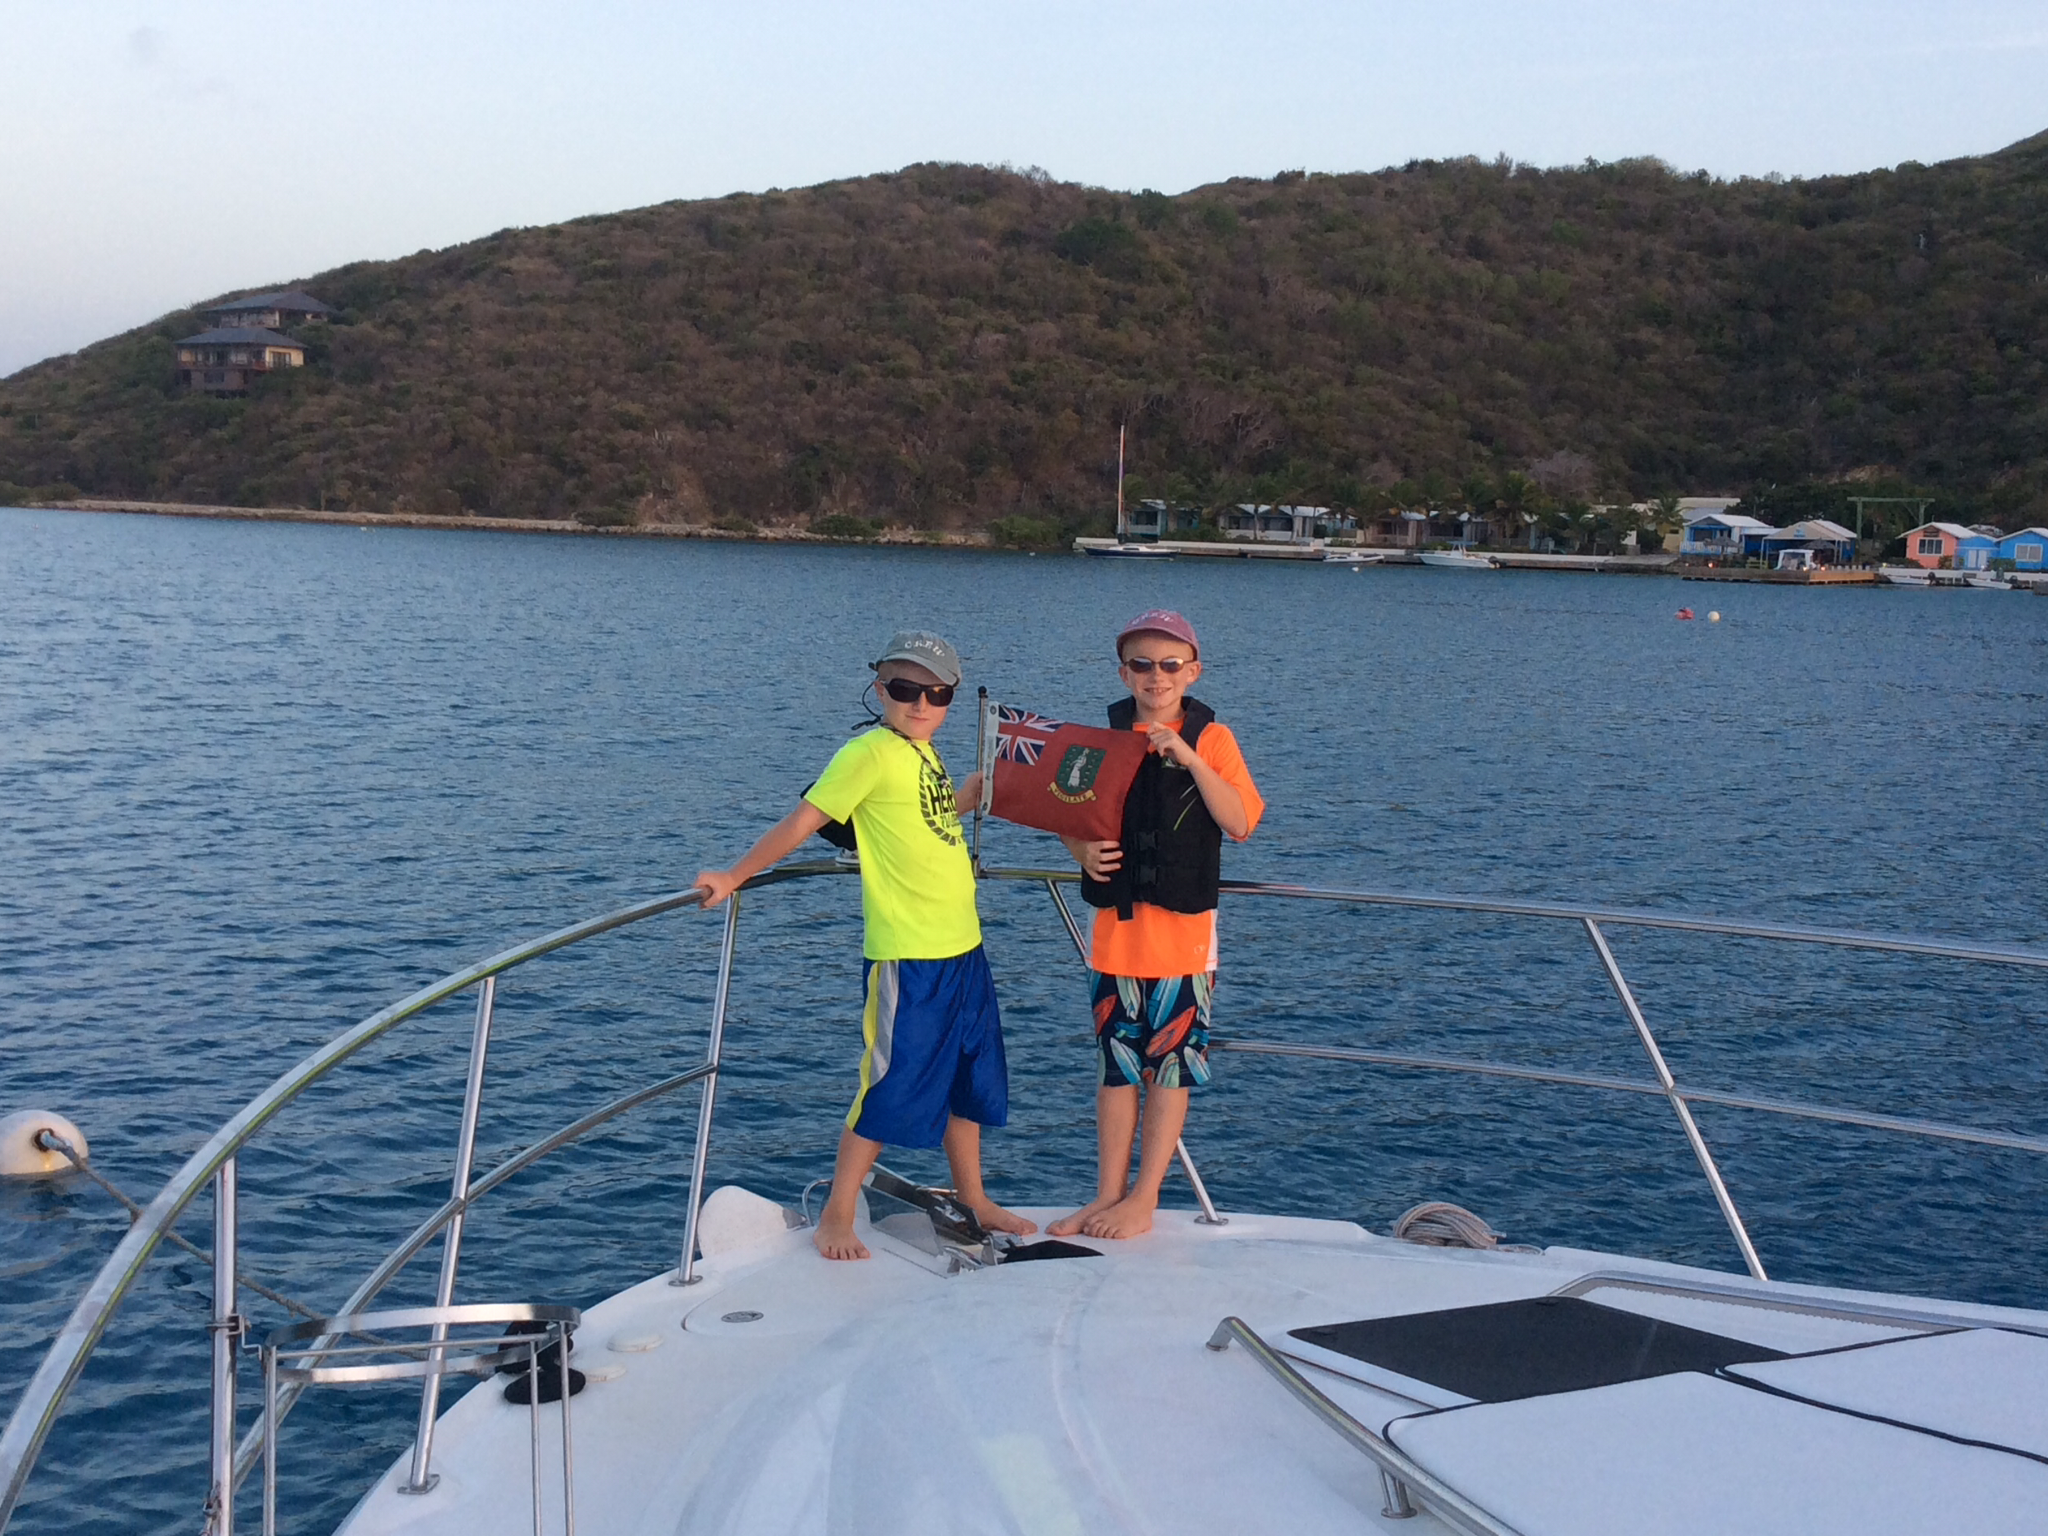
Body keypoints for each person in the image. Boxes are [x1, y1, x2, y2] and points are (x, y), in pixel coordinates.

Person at [693, 630, 1036, 1261]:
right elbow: (806, 821)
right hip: (909, 955)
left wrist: (964, 798)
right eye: (906, 690)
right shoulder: (868, 752)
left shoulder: (922, 752)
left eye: (937, 694)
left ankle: (974, 1198)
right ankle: (838, 1212)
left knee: (968, 1078)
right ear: (880, 691)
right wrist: (735, 875)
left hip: (963, 948)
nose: (922, 703)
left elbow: (918, 822)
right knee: (886, 1084)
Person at [1048, 610, 1264, 1240]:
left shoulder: (1214, 739)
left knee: (1170, 1072)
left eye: (1170, 664)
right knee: (1116, 1072)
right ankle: (1107, 1195)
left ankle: (1144, 1200)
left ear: (1193, 672)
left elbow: (1240, 821)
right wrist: (1080, 851)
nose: (1156, 676)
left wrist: (1189, 757)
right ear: (1124, 674)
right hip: (1115, 941)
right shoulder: (1103, 739)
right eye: (1141, 664)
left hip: (1183, 946)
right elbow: (1064, 809)